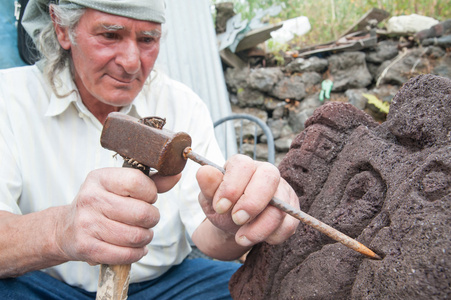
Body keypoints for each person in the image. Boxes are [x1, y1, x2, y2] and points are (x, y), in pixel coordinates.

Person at [0, 0, 300, 299]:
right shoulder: (10, 99)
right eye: (110, 35)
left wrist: (232, 222)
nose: (131, 62)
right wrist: (59, 232)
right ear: (62, 28)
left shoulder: (182, 103)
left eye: (147, 39)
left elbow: (209, 238)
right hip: (43, 286)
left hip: (166, 287)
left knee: (258, 289)